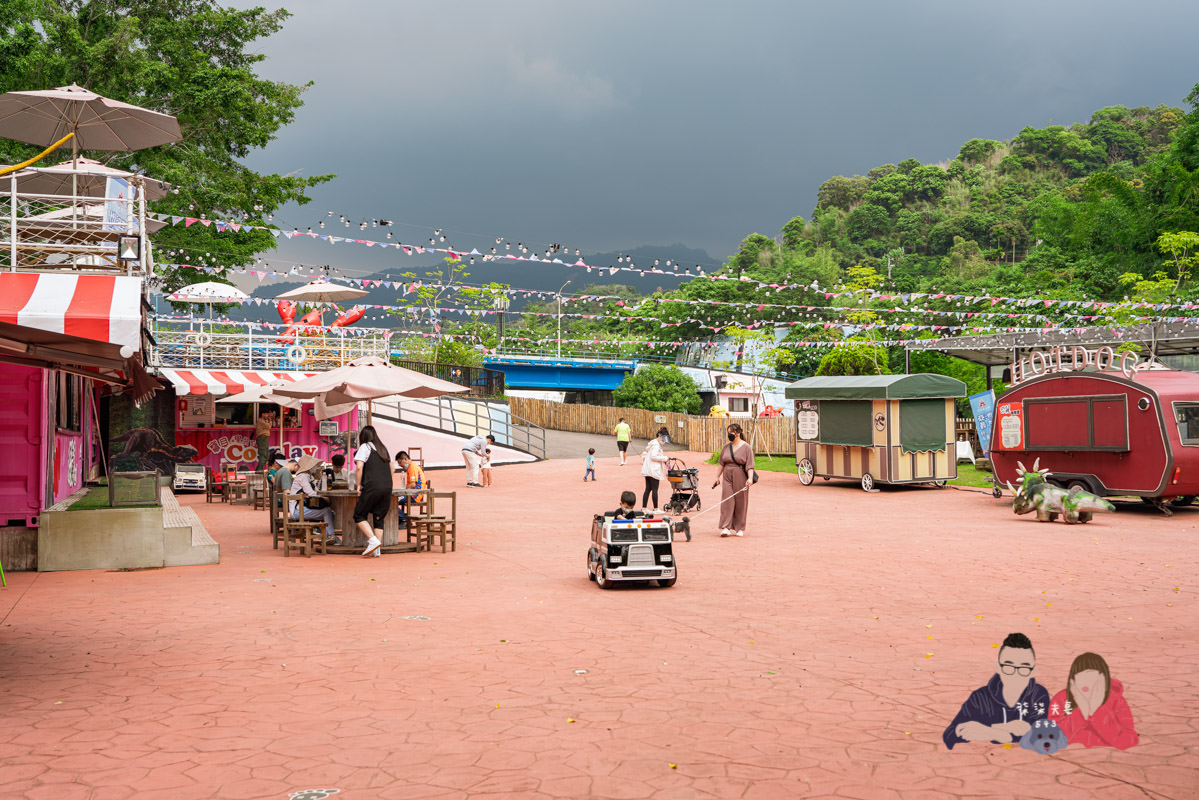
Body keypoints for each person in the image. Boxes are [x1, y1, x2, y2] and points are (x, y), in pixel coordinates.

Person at [943, 633, 1050, 749]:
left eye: (1024, 668)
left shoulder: (1038, 695)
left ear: (1033, 671)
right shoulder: (980, 697)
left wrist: (992, 731)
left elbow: (1041, 735)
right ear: (998, 667)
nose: (1015, 675)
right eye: (1008, 666)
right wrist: (998, 732)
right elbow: (949, 735)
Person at [1048, 652, 1138, 749]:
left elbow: (1128, 740)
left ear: (1103, 679)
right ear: (1073, 680)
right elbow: (1050, 738)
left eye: (1091, 676)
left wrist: (1097, 710)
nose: (1085, 682)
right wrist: (1081, 712)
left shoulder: (1116, 700)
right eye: (1080, 676)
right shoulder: (1061, 699)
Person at [353, 425, 393, 557]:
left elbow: (359, 467)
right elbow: (392, 468)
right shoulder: (384, 449)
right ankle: (377, 550)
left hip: (372, 486)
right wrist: (386, 482)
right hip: (387, 487)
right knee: (378, 517)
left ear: (363, 437)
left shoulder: (365, 447)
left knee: (359, 515)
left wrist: (358, 485)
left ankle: (373, 540)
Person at [714, 422, 756, 537]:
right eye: (728, 432)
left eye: (731, 432)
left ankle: (739, 528)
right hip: (727, 475)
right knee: (727, 500)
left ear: (738, 433)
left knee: (741, 501)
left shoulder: (746, 447)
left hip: (740, 474)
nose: (730, 435)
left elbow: (750, 465)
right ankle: (726, 527)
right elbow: (721, 463)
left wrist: (750, 478)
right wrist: (717, 477)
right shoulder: (726, 447)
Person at [288, 455, 339, 545]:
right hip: (297, 511)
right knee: (327, 511)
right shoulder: (302, 477)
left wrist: (321, 495)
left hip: (304, 507)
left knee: (332, 513)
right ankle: (330, 536)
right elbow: (311, 493)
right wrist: (323, 497)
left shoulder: (308, 477)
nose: (315, 468)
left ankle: (325, 537)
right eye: (313, 466)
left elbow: (315, 492)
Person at [640, 426, 670, 513]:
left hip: (648, 469)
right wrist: (664, 458)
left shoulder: (653, 444)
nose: (664, 441)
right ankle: (656, 508)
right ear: (660, 436)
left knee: (648, 489)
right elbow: (653, 456)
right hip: (653, 470)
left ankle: (644, 508)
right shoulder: (656, 445)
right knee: (654, 489)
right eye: (663, 439)